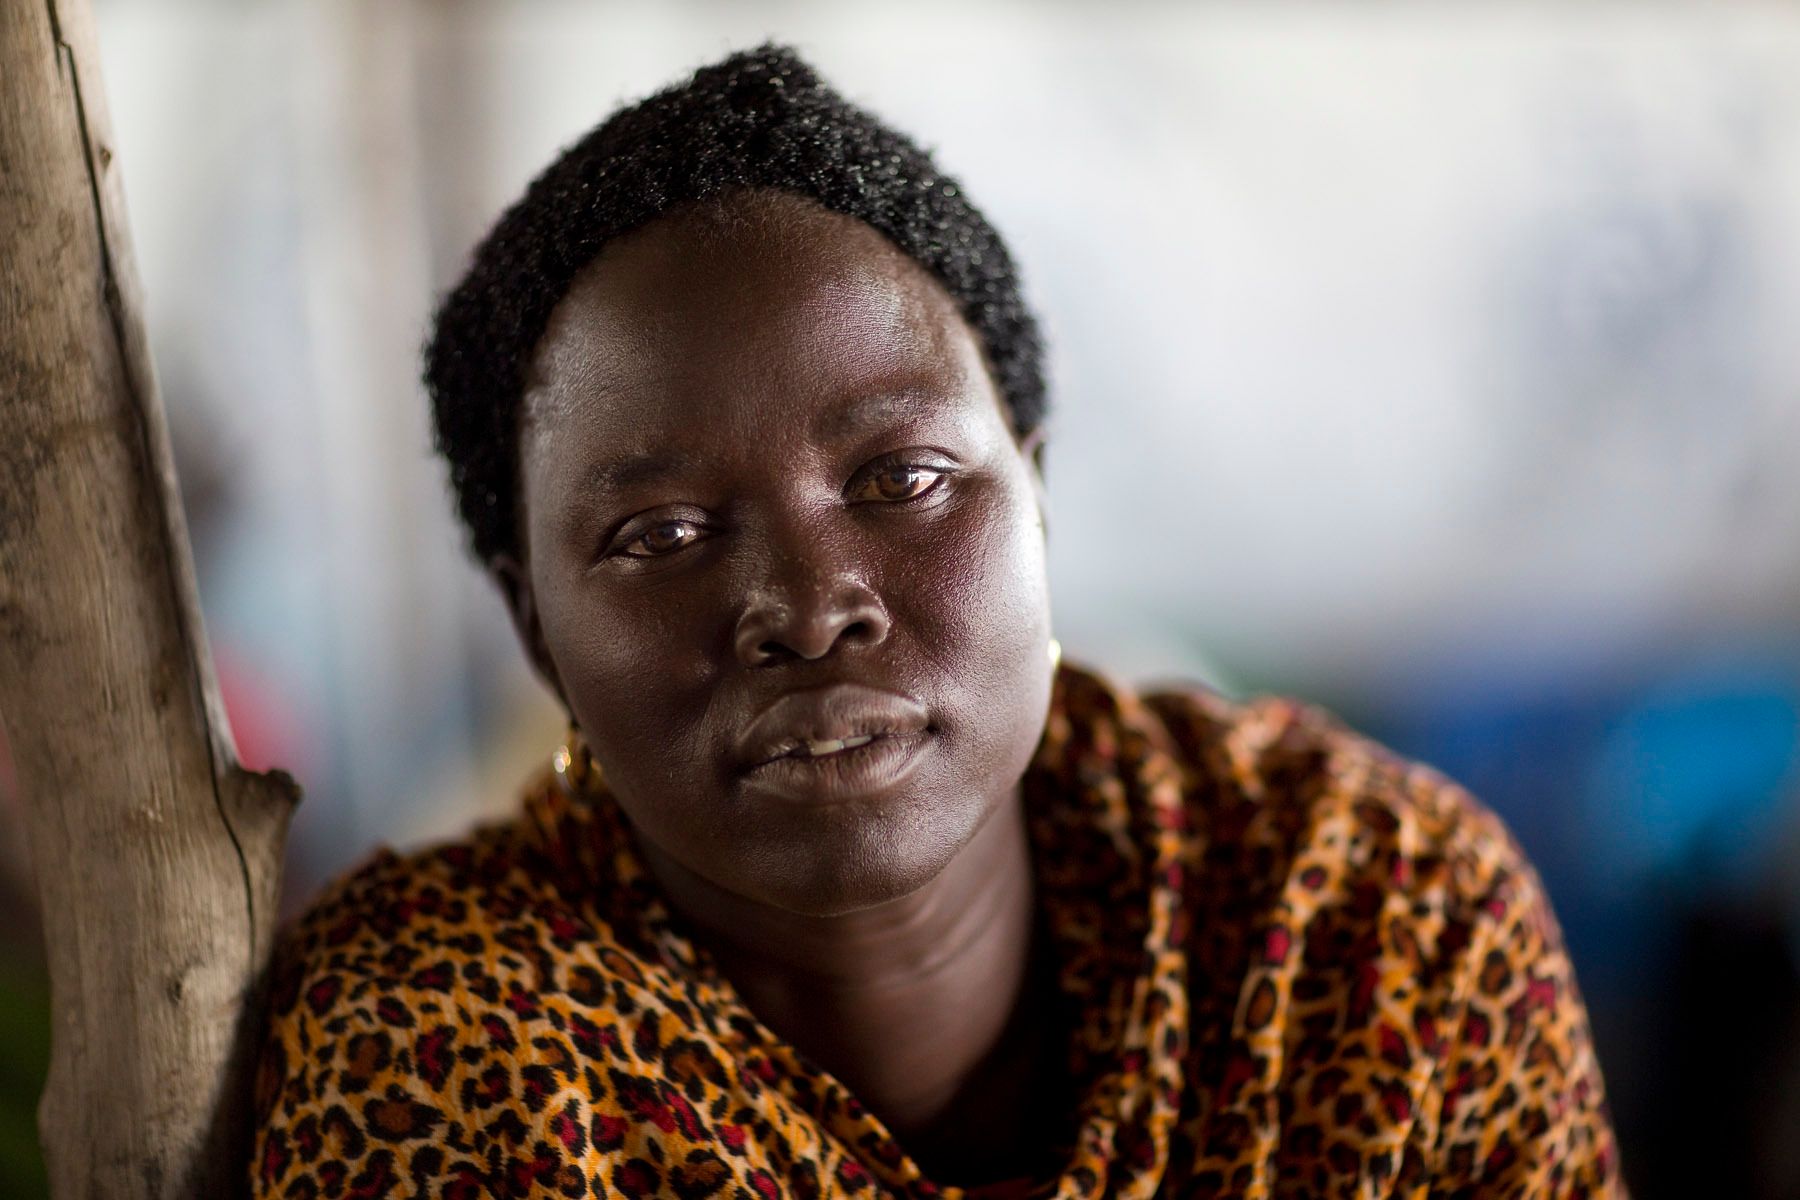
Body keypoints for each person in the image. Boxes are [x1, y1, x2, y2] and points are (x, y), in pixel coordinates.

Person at [250, 44, 1624, 1198]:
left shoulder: (1374, 922)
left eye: (901, 479)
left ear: (1037, 491)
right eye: (660, 535)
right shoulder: (441, 1051)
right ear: (534, 626)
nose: (805, 606)